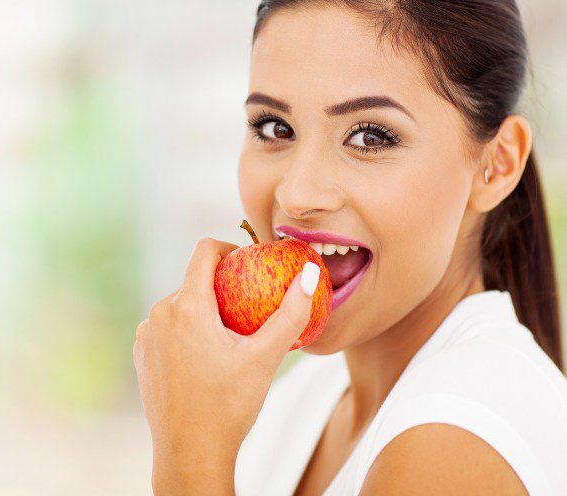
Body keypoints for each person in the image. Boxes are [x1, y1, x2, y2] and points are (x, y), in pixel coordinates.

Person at [132, 1, 567, 494]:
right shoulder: (298, 399)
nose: (297, 195)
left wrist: (191, 457)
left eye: (369, 136)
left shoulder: (455, 440)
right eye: (275, 127)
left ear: (498, 164)